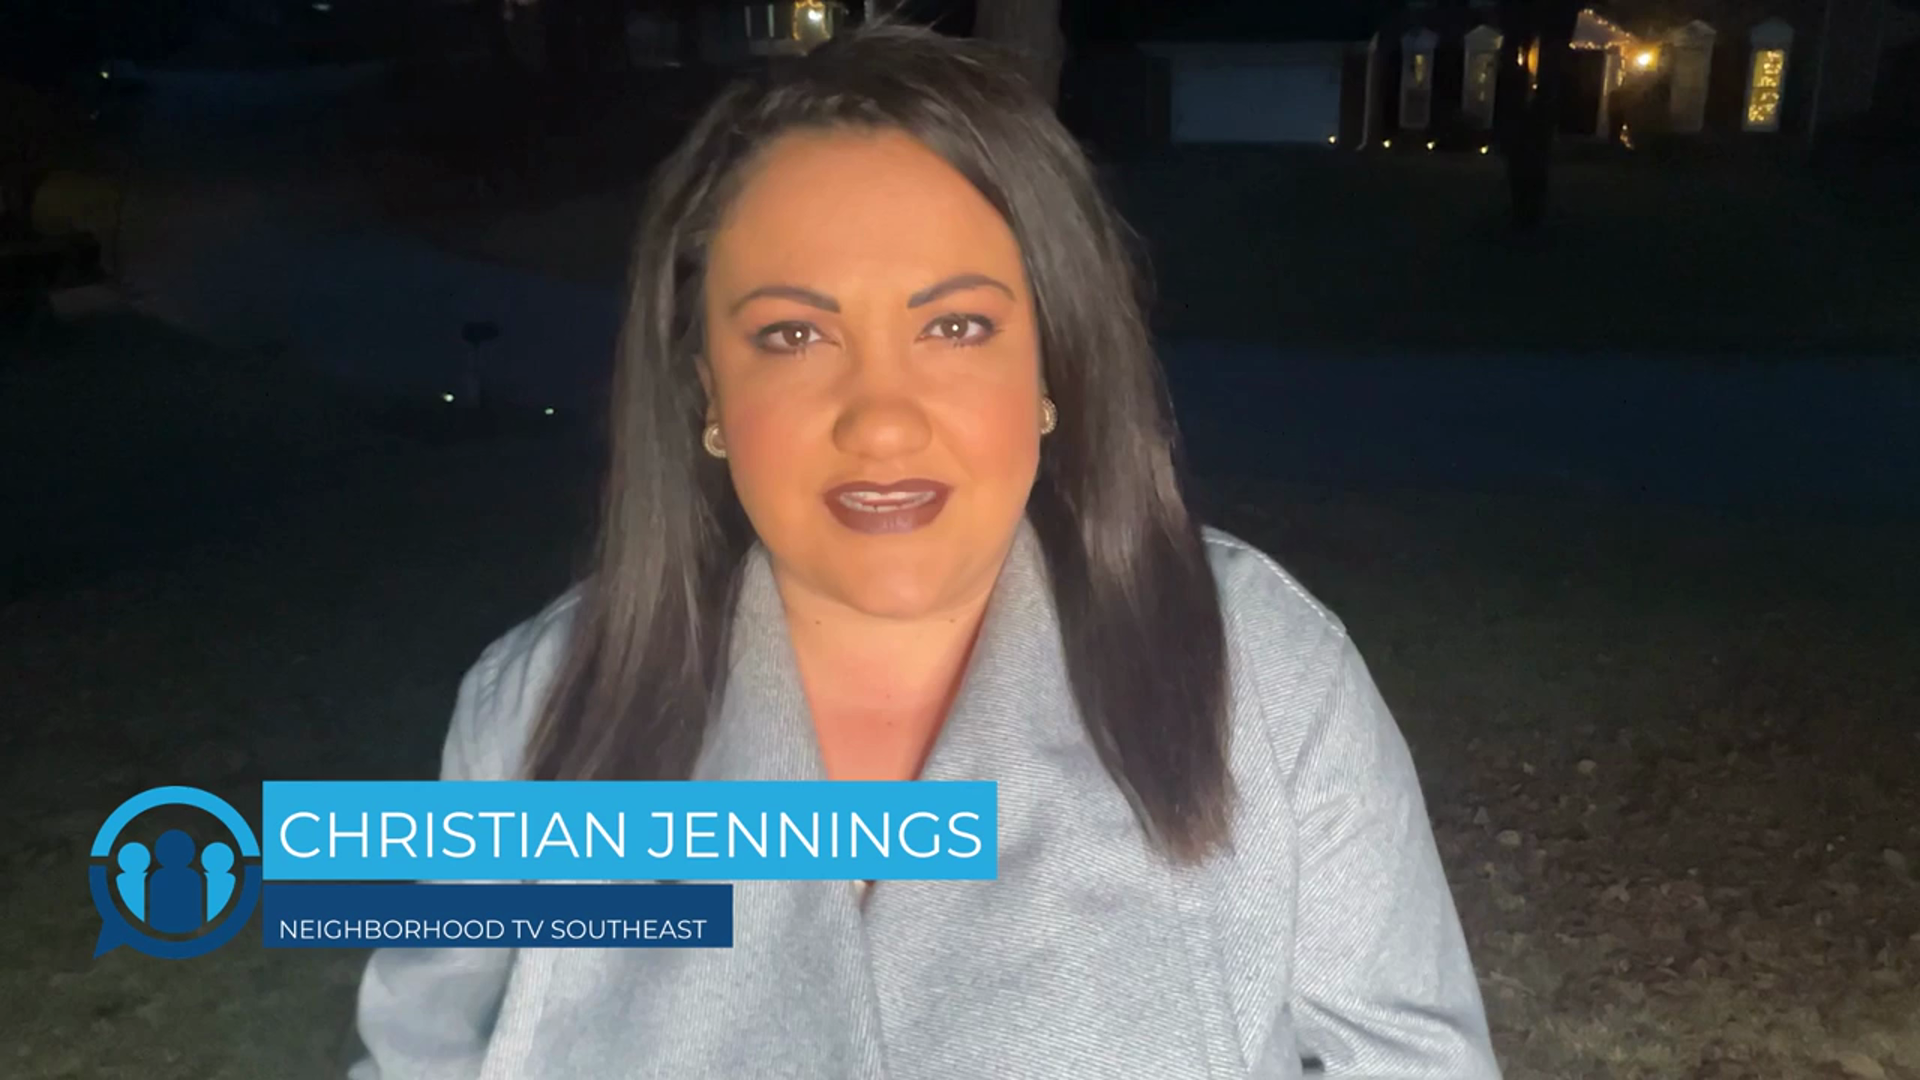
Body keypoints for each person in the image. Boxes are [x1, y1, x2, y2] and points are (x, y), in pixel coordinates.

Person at [349, 24, 1501, 1080]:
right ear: (708, 396)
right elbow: (418, 1058)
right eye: (794, 335)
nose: (883, 423)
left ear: (1049, 369)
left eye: (955, 326)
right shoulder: (539, 711)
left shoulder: (1263, 679)